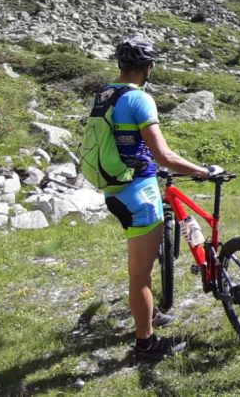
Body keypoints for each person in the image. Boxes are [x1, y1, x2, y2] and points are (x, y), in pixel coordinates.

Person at [97, 34, 218, 361]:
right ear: (148, 66)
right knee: (141, 276)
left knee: (139, 270)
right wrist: (202, 171)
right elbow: (163, 155)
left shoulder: (107, 94)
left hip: (115, 189)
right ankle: (146, 343)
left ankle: (148, 316)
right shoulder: (139, 99)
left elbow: (122, 143)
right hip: (139, 194)